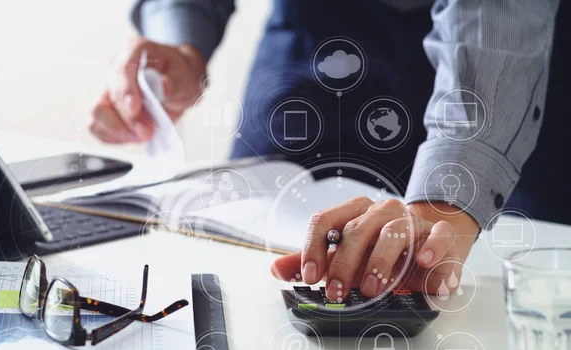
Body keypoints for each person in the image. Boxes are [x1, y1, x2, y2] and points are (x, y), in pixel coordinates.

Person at [89, 0, 564, 301]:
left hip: (511, 48)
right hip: (317, 30)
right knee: (241, 260)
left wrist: (445, 203)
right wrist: (183, 43)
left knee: (528, 278)